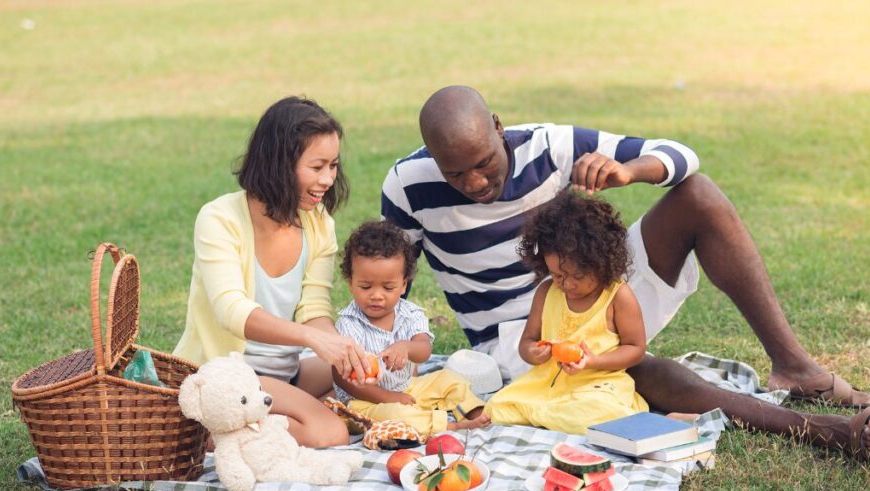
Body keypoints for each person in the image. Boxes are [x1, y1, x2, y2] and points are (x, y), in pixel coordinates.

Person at [381, 86, 870, 463]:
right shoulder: (407, 184)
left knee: (699, 194)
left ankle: (795, 368)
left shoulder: (549, 145)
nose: (474, 182)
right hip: (521, 344)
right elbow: (393, 279)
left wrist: (629, 171)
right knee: (641, 371)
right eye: (455, 172)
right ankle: (824, 430)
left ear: (498, 126)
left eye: (484, 163)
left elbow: (683, 156)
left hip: (592, 293)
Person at [174, 96, 373, 447]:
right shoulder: (219, 219)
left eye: (334, 166)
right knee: (329, 432)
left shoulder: (318, 224)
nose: (328, 178)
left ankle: (251, 422)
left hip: (283, 374)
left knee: (366, 379)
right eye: (317, 167)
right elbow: (231, 311)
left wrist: (337, 345)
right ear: (279, 163)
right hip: (228, 376)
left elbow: (314, 307)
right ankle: (207, 430)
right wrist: (311, 339)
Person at [486, 193, 649, 434]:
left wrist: (592, 361)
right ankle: (550, 415)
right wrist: (534, 353)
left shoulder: (617, 296)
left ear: (601, 263)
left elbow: (636, 349)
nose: (567, 284)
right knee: (495, 408)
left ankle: (547, 417)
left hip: (597, 385)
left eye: (577, 276)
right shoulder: (546, 292)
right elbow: (527, 342)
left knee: (601, 413)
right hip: (546, 385)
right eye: (559, 275)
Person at [331, 221, 491, 436]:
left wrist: (406, 347)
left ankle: (473, 411)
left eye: (388, 287)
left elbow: (424, 350)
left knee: (449, 379)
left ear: (404, 284)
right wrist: (388, 397)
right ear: (350, 283)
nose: (377, 295)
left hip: (407, 387)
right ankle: (449, 426)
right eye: (365, 286)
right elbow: (341, 377)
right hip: (364, 403)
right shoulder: (348, 324)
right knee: (398, 415)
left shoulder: (410, 314)